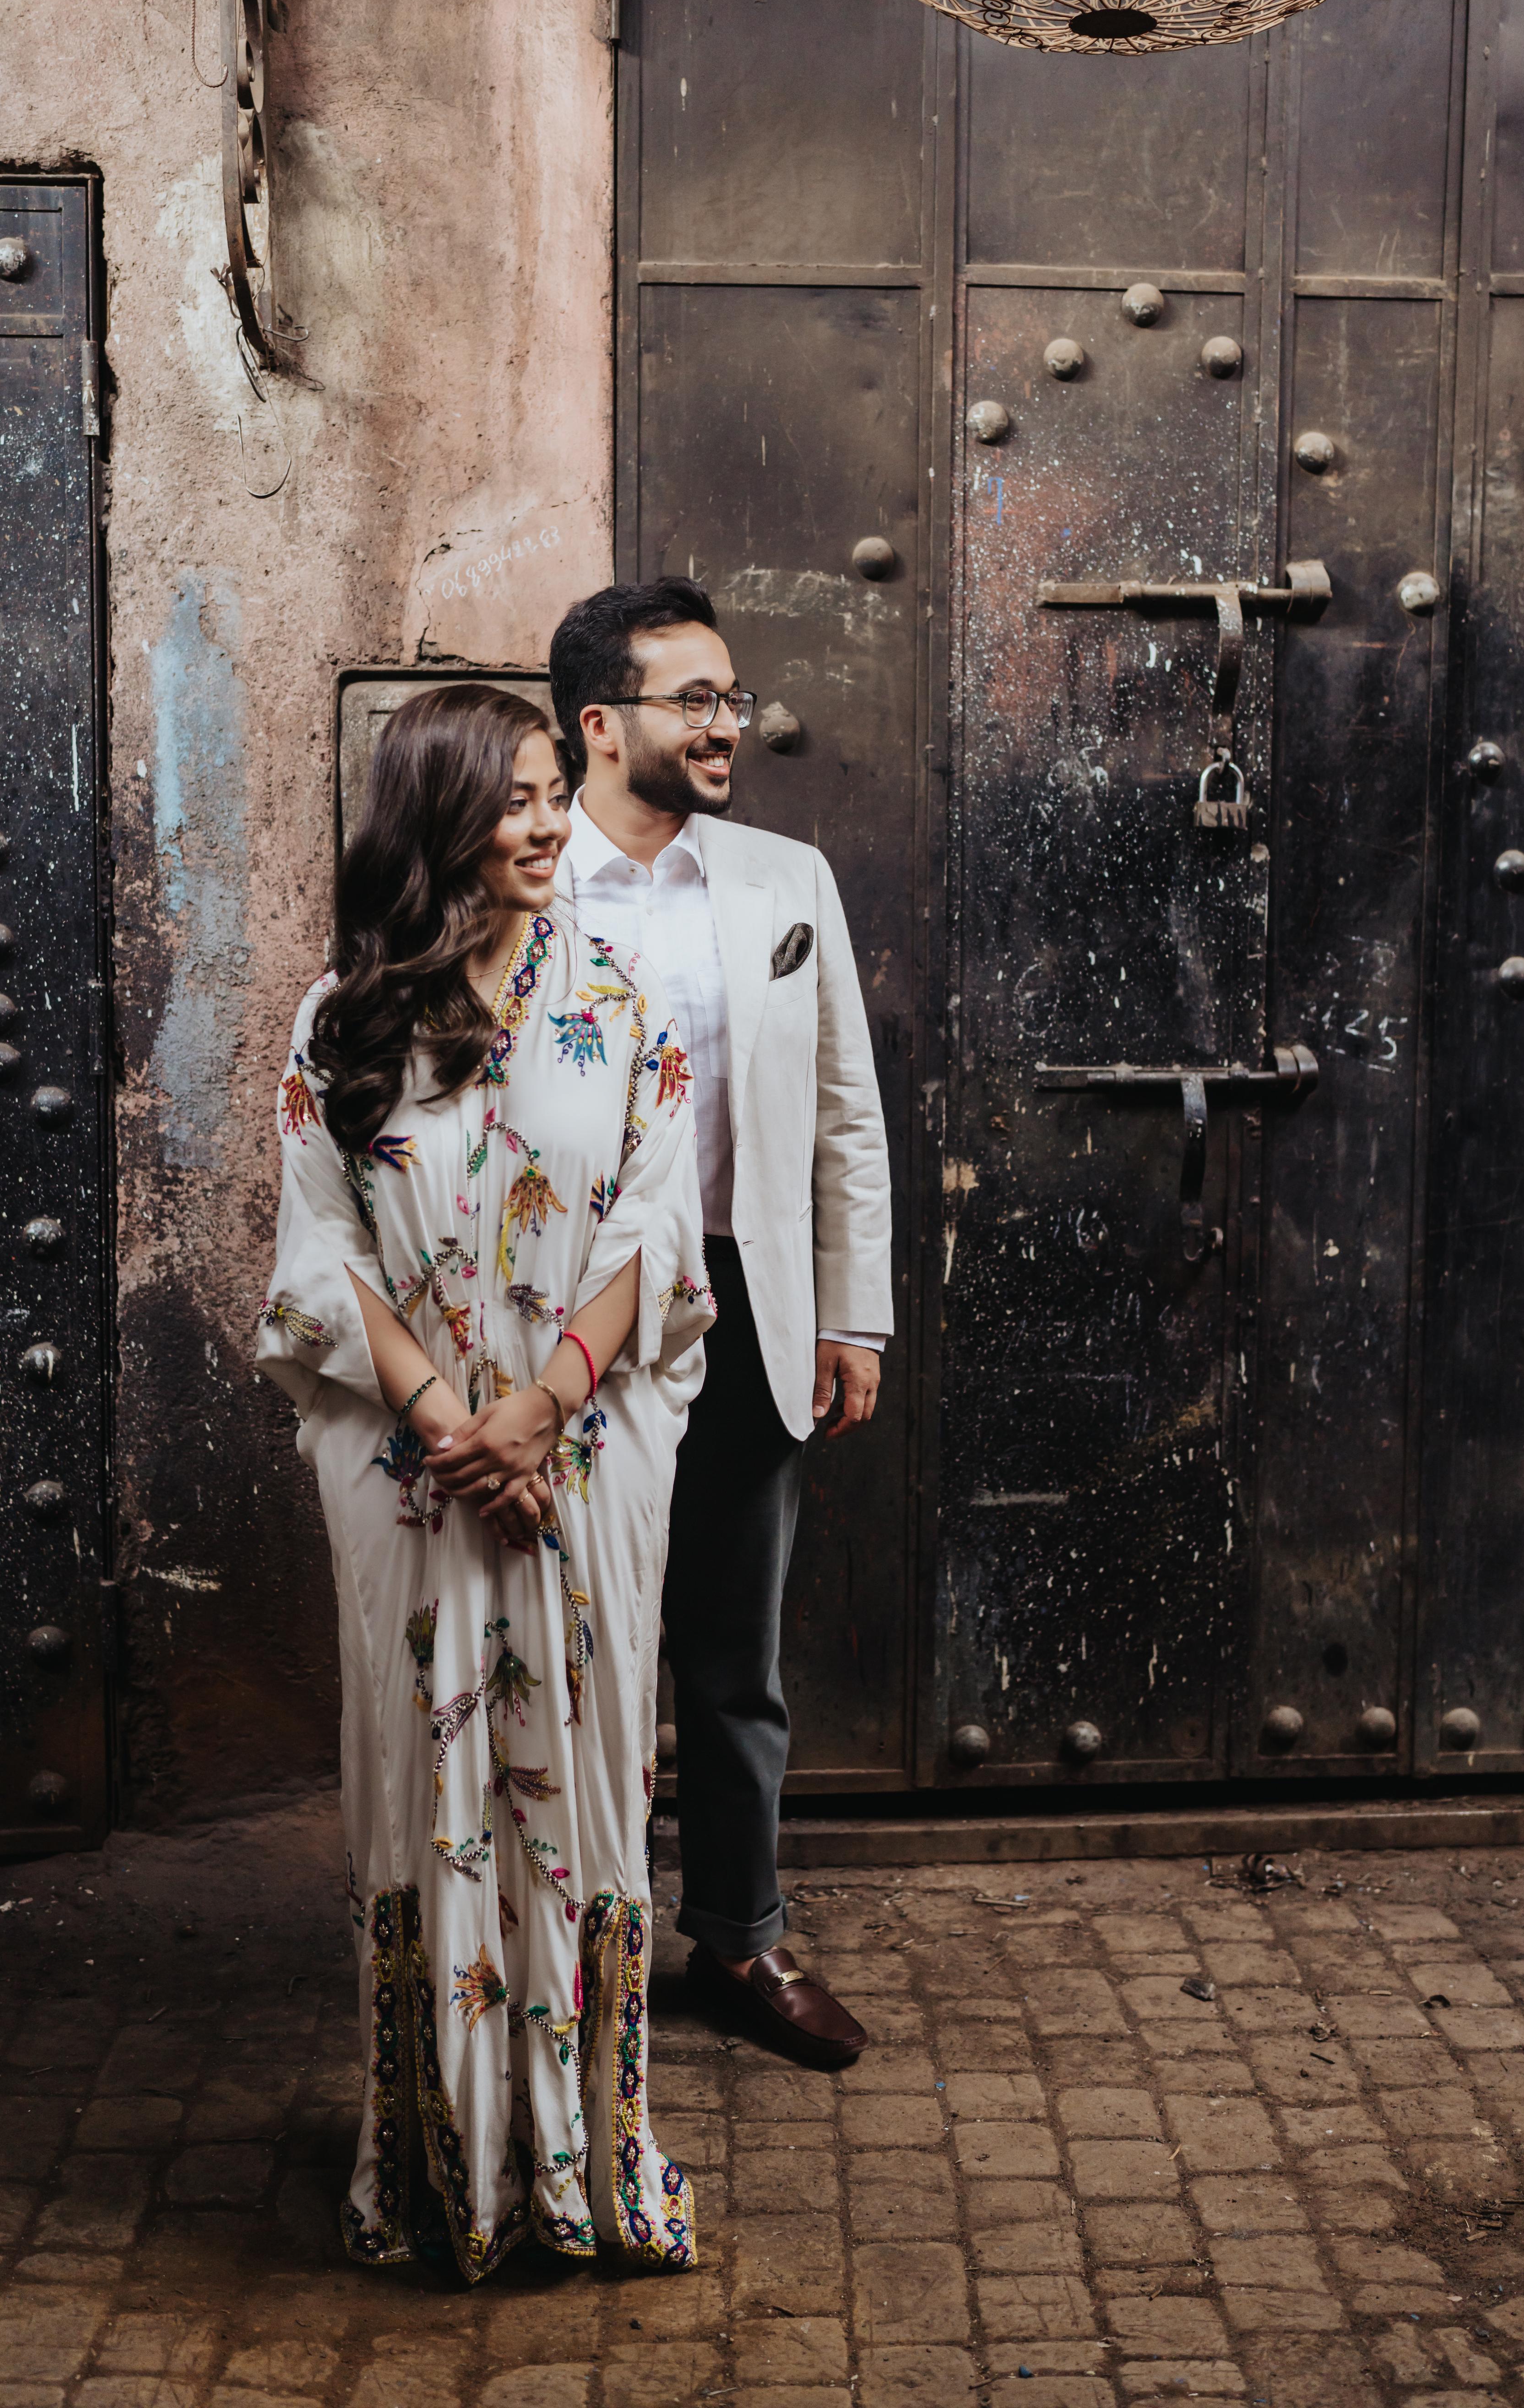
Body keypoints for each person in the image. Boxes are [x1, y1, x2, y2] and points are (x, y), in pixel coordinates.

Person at [256, 682, 713, 2282]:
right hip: (413, 1475)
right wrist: (460, 1425)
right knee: (421, 1790)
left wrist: (542, 1415)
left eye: (547, 793)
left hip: (579, 1464)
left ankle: (589, 2159)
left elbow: (656, 1234)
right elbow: (321, 1260)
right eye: (512, 796)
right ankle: (438, 2160)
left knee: (587, 1799)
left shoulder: (627, 996)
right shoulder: (345, 1022)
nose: (541, 821)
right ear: (438, 815)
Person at [549, 579, 893, 2070]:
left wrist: (855, 1317)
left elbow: (841, 1116)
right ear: (600, 723)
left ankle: (742, 1942)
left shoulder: (780, 880)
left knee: (732, 1657)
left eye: (733, 699)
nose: (726, 725)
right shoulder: (516, 874)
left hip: (748, 1303)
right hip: (562, 1319)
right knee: (570, 1650)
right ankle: (571, 1946)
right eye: (695, 700)